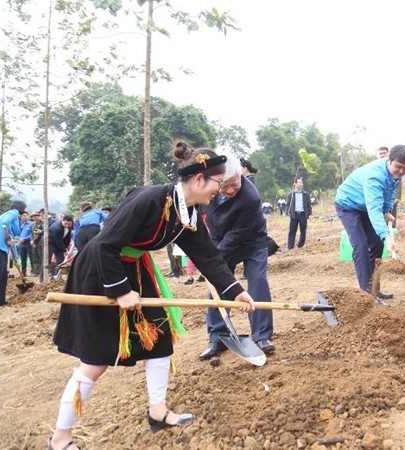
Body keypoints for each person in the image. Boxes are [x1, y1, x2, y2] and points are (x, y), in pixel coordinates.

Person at [49, 142, 256, 450]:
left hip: (136, 269)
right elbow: (106, 244)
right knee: (96, 359)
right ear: (199, 179)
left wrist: (235, 292)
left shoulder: (189, 212)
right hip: (101, 271)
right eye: (218, 182)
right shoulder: (150, 200)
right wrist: (120, 290)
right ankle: (60, 439)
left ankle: (157, 411)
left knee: (159, 340)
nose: (221, 189)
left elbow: (208, 256)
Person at [200, 153, 275, 359]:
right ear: (216, 182)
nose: (231, 189)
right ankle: (217, 336)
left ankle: (262, 336)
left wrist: (214, 259)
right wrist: (208, 259)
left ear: (241, 176)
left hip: (251, 240)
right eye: (225, 186)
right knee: (217, 285)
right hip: (219, 238)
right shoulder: (208, 189)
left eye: (235, 184)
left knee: (258, 281)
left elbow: (237, 236)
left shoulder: (250, 197)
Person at [334, 144, 405, 300]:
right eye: (398, 167)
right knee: (361, 245)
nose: (401, 171)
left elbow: (389, 193)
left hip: (365, 206)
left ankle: (374, 288)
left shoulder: (395, 174)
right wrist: (388, 236)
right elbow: (373, 209)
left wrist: (387, 210)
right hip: (348, 205)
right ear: (389, 160)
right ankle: (367, 295)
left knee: (376, 243)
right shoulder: (375, 176)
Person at [0, 200, 26, 311]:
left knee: (2, 274)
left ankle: (0, 301)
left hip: (1, 248)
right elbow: (5, 224)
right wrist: (8, 238)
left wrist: (15, 257)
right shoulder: (13, 212)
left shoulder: (15, 219)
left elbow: (12, 239)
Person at [285, 177, 312, 250]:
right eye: (299, 182)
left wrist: (310, 214)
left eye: (301, 182)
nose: (301, 184)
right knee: (292, 231)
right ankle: (290, 247)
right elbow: (287, 205)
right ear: (295, 184)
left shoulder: (306, 194)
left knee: (303, 230)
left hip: (303, 214)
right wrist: (287, 214)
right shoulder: (291, 194)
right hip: (294, 215)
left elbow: (309, 205)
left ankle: (300, 246)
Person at [48, 214, 74, 279]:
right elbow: (58, 241)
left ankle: (59, 274)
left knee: (61, 258)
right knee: (57, 258)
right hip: (51, 243)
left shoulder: (69, 226)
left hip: (60, 243)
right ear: (63, 220)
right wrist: (65, 250)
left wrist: (66, 247)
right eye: (66, 224)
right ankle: (55, 275)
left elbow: (68, 237)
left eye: (69, 224)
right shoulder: (57, 228)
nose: (67, 225)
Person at [18, 211, 35, 277]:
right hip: (21, 244)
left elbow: (32, 234)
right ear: (20, 217)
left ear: (28, 216)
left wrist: (24, 239)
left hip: (29, 243)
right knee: (23, 258)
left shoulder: (32, 224)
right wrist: (19, 238)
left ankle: (33, 271)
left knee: (31, 258)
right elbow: (17, 233)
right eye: (22, 216)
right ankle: (23, 272)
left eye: (25, 216)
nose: (24, 217)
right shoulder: (19, 225)